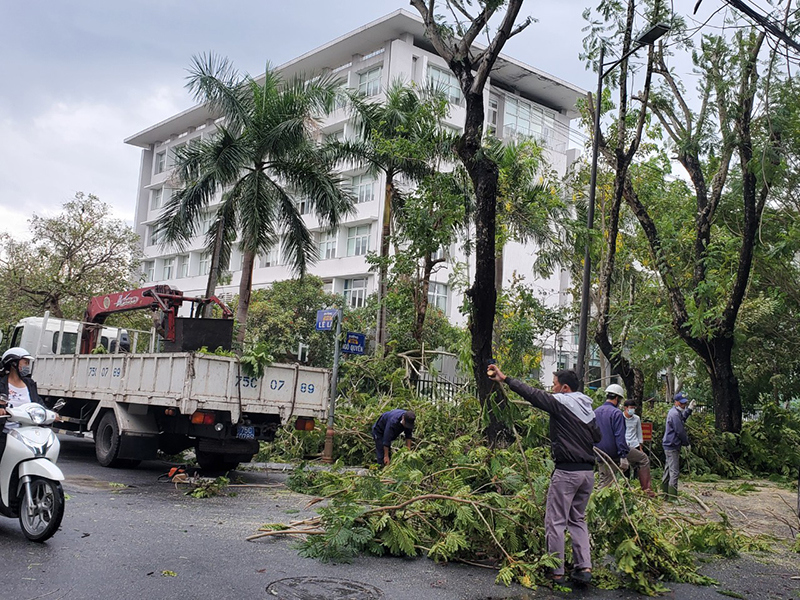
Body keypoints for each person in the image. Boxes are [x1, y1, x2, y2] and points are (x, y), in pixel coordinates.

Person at [487, 365, 600, 585]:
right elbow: (597, 436)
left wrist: (506, 378)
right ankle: (583, 568)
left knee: (556, 520)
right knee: (577, 519)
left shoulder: (562, 402)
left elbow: (534, 395)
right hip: (587, 473)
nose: (552, 388)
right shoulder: (587, 408)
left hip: (567, 471)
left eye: (555, 385)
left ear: (565, 388)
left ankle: (556, 571)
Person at [0, 348, 43, 455]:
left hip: (27, 433)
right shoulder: (1, 383)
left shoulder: (30, 383)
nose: (27, 366)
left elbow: (38, 402)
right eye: (25, 362)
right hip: (5, 433)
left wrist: (50, 413)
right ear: (13, 363)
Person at [661, 391, 696, 500]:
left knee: (668, 469)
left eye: (685, 403)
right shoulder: (674, 414)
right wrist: (686, 443)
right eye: (681, 404)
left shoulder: (676, 412)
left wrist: (689, 410)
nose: (683, 405)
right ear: (676, 402)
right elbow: (680, 431)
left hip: (670, 444)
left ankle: (664, 493)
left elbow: (682, 420)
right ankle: (672, 497)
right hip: (672, 445)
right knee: (674, 471)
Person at [594, 384, 629, 488]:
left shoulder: (596, 411)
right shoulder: (616, 413)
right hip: (612, 455)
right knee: (608, 485)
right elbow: (619, 435)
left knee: (604, 479)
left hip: (599, 452)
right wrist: (623, 455)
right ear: (617, 398)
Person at [621, 398, 656, 497]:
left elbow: (639, 432)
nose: (632, 410)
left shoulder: (636, 418)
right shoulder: (620, 417)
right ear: (625, 408)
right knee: (625, 468)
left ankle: (641, 488)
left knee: (638, 466)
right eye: (631, 408)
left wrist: (640, 446)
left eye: (634, 408)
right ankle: (625, 488)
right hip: (625, 445)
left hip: (634, 444)